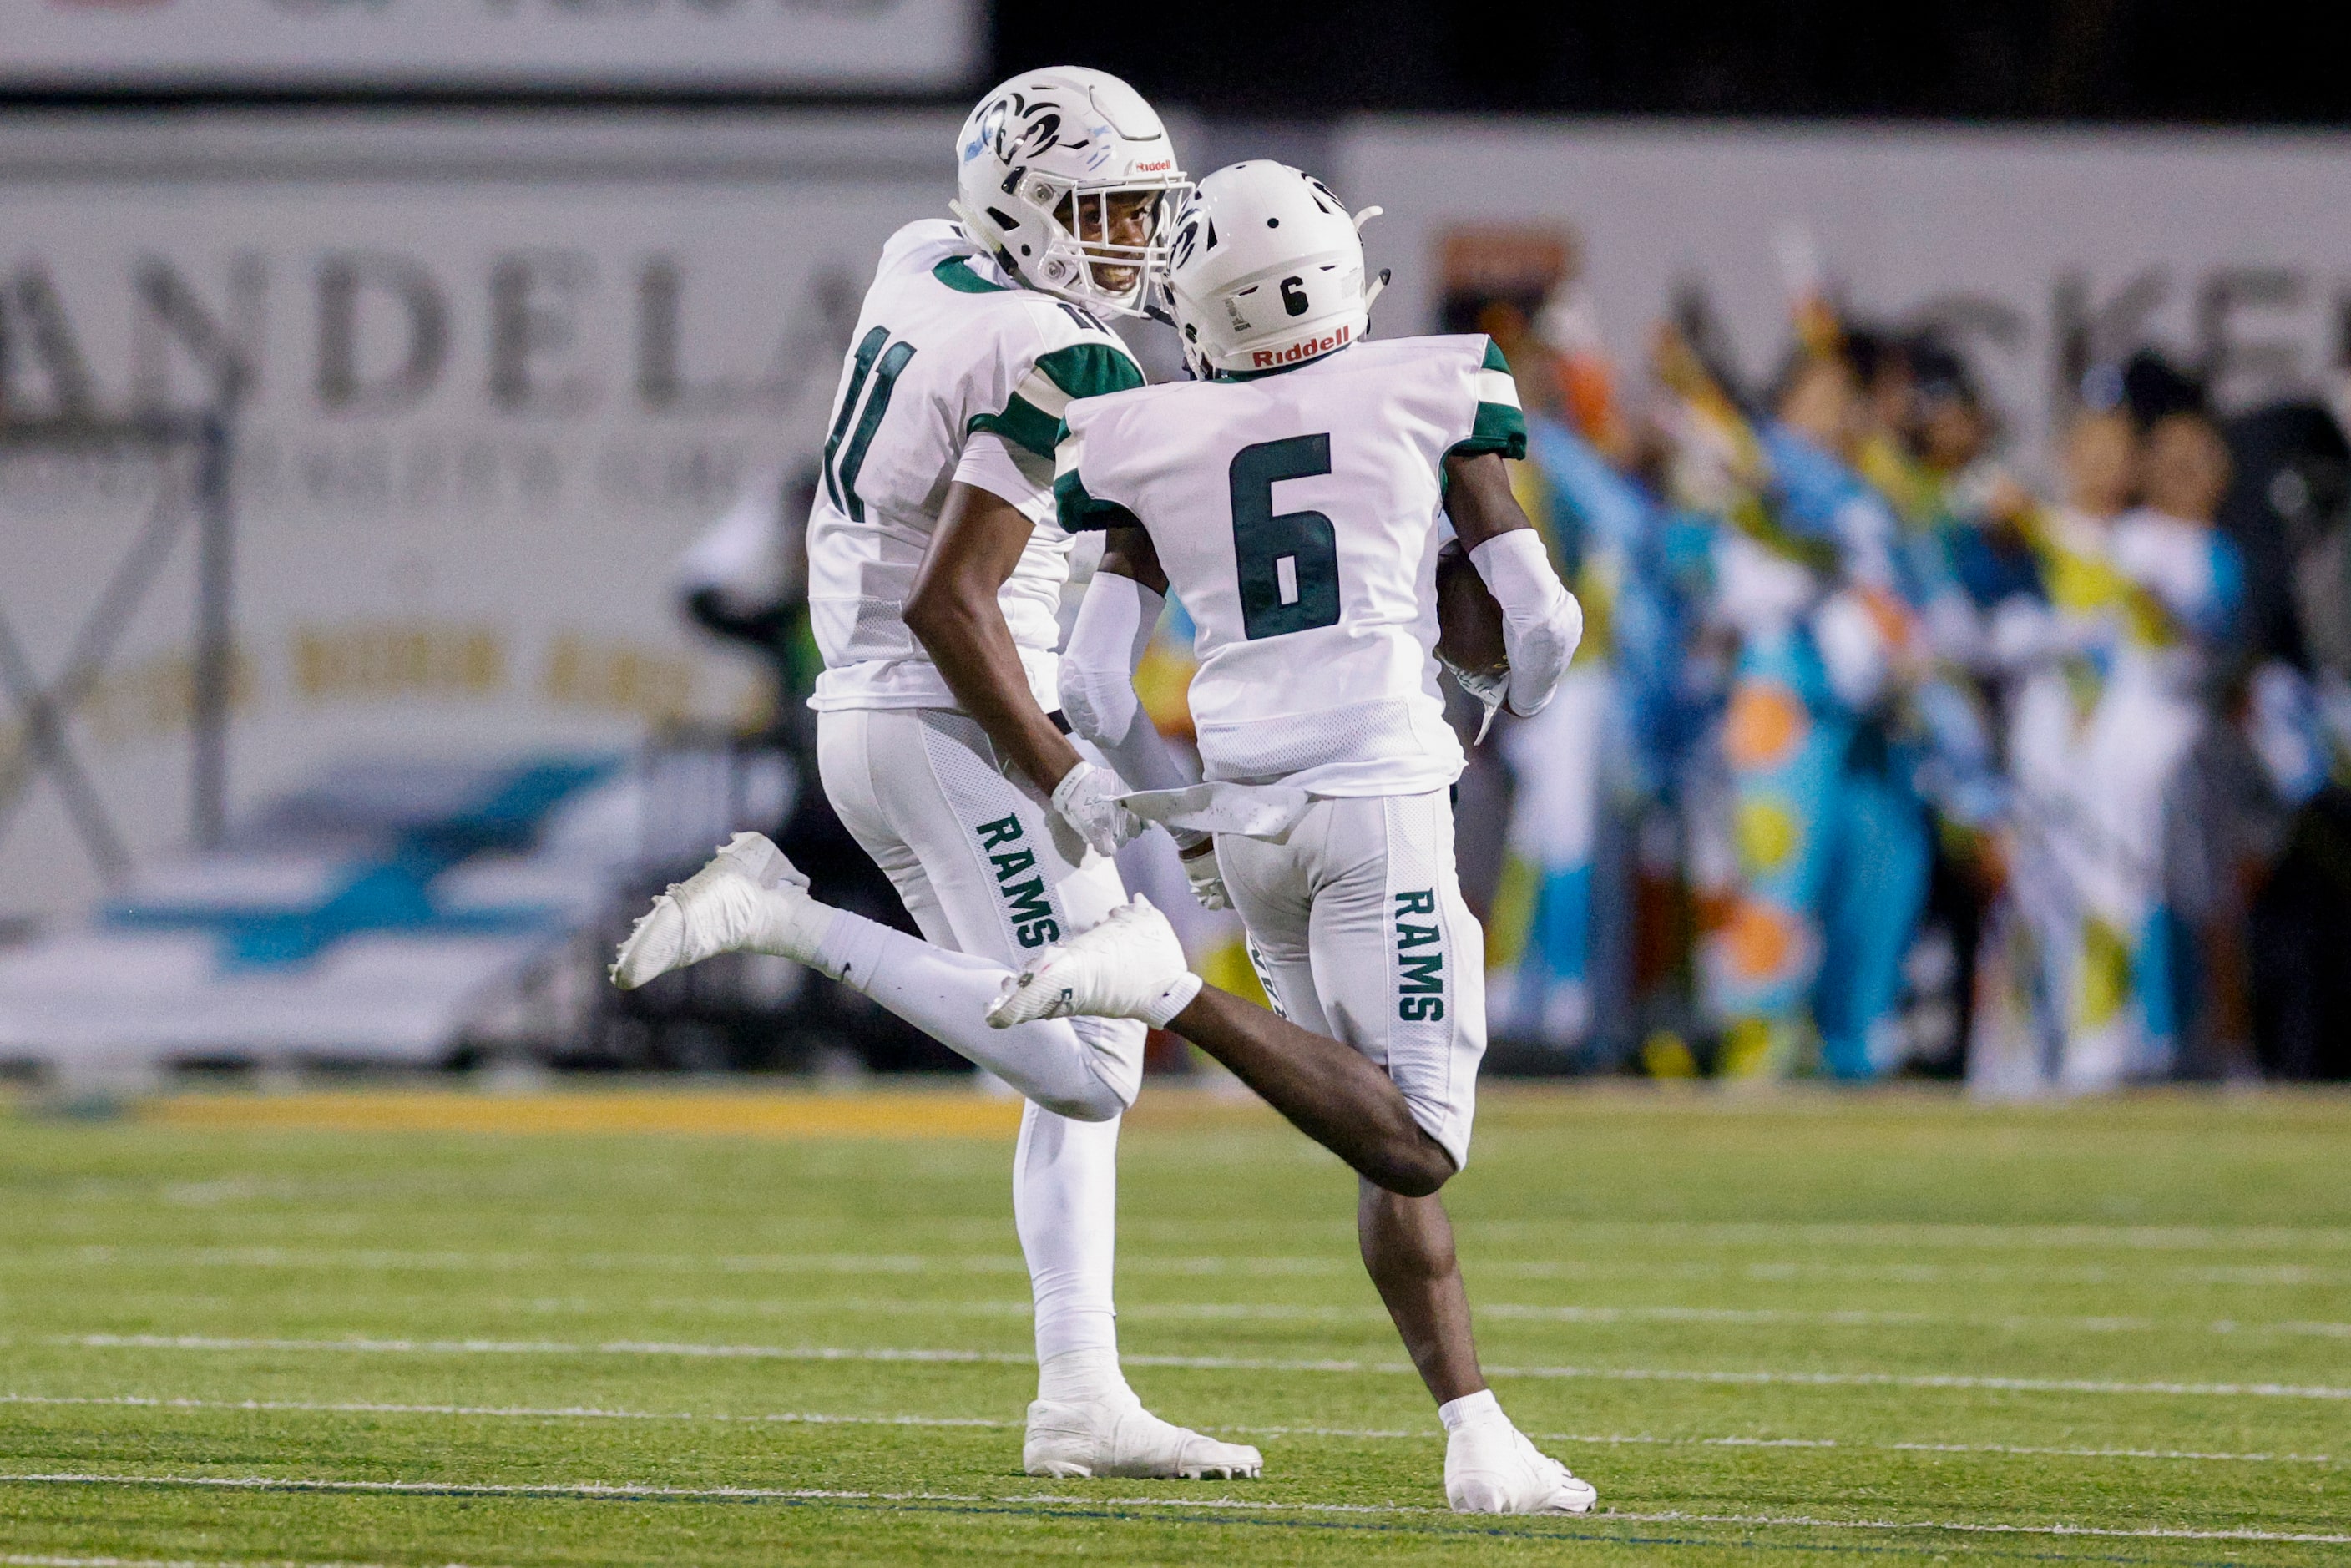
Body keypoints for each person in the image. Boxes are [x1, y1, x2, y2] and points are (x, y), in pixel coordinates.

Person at [619, 66, 1262, 1483]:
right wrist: (1060, 765)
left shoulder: (926, 256)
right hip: (948, 708)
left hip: (874, 713)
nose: (1135, 240)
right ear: (1026, 210)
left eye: (1143, 208)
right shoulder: (1063, 344)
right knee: (1098, 1059)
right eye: (1105, 210)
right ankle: (787, 916)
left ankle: (1079, 1394)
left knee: (1070, 1065)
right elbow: (951, 600)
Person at [1019, 159, 1596, 1514]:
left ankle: (1477, 1434)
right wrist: (1482, 705)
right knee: (1418, 1142)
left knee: (1370, 1122)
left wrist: (1183, 812)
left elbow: (1095, 688)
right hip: (1377, 796)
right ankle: (1171, 990)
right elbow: (1546, 621)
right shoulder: (1432, 385)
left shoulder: (1145, 432)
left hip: (1245, 808)